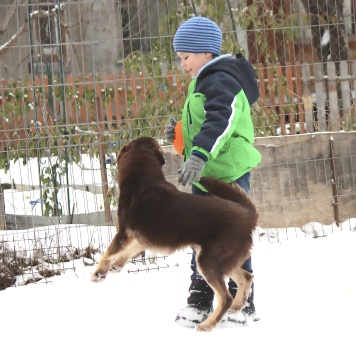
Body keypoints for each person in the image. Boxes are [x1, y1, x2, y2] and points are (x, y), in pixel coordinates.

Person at [164, 16, 262, 328]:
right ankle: (201, 295)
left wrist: (200, 154)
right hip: (205, 173)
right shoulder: (203, 82)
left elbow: (220, 121)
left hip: (228, 174)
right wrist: (180, 136)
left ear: (205, 53)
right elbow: (201, 126)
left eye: (186, 57)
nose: (183, 64)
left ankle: (240, 296)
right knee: (202, 235)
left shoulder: (223, 81)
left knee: (232, 235)